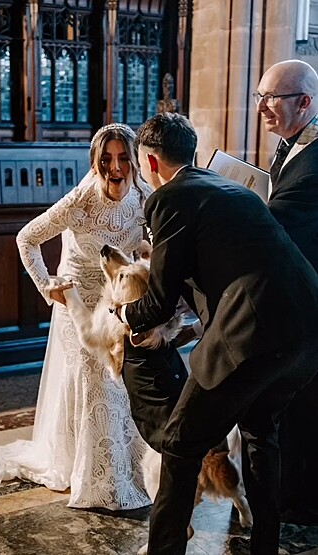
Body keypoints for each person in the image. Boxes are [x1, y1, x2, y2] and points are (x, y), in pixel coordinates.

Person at [0, 123, 151, 511]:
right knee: (95, 388)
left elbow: (152, 243)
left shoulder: (144, 197)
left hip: (117, 308)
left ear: (135, 161)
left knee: (118, 386)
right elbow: (27, 238)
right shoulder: (80, 200)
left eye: (122, 158)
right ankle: (100, 481)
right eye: (106, 159)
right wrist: (46, 284)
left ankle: (128, 469)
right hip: (79, 304)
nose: (115, 167)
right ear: (95, 162)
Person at [114, 112, 318, 555]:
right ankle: (265, 544)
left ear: (149, 163)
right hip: (307, 329)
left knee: (180, 442)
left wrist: (123, 312)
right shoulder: (233, 190)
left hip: (249, 338)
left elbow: (160, 303)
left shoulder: (169, 199)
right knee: (261, 432)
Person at [255, 59, 318, 524]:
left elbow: (277, 221)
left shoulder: (316, 157)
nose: (262, 107)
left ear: (305, 102)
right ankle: (289, 495)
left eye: (272, 98)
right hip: (290, 295)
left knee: (306, 408)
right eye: (259, 97)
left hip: (309, 300)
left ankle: (303, 504)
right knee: (291, 406)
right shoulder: (288, 144)